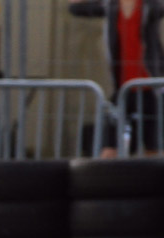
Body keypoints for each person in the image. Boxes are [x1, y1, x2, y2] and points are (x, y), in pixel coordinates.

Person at [69, 0, 164, 156]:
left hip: (149, 89)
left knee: (154, 149)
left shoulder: (149, 6)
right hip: (123, 89)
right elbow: (76, 8)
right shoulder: (111, 6)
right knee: (110, 149)